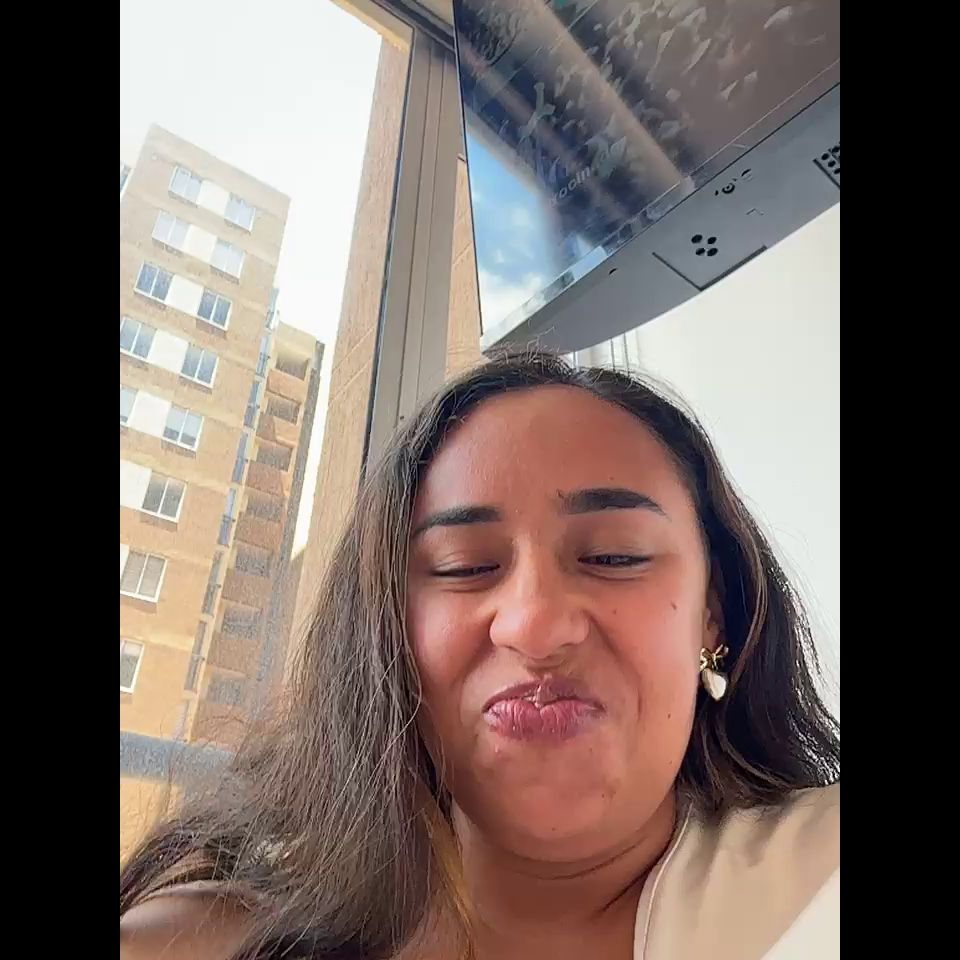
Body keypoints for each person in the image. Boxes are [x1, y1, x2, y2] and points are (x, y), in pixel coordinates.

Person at [120, 349, 840, 960]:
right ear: (387, 631)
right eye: (464, 566)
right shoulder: (202, 940)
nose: (534, 625)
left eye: (614, 556)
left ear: (713, 615)